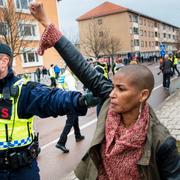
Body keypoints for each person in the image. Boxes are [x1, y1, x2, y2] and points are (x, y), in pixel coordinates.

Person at [30, 2, 180, 180]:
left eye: (121, 89)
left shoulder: (162, 142)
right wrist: (47, 23)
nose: (111, 93)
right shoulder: (109, 106)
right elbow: (83, 67)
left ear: (143, 95)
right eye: (113, 86)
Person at [0, 42, 98, 179]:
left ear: (3, 62)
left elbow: (51, 98)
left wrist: (82, 101)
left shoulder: (23, 90)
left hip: (19, 172)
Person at [56, 68, 84, 153]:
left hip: (64, 99)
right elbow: (73, 91)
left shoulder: (62, 76)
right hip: (70, 100)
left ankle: (78, 135)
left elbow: (59, 88)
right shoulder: (69, 77)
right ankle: (61, 142)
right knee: (70, 122)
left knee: (75, 118)